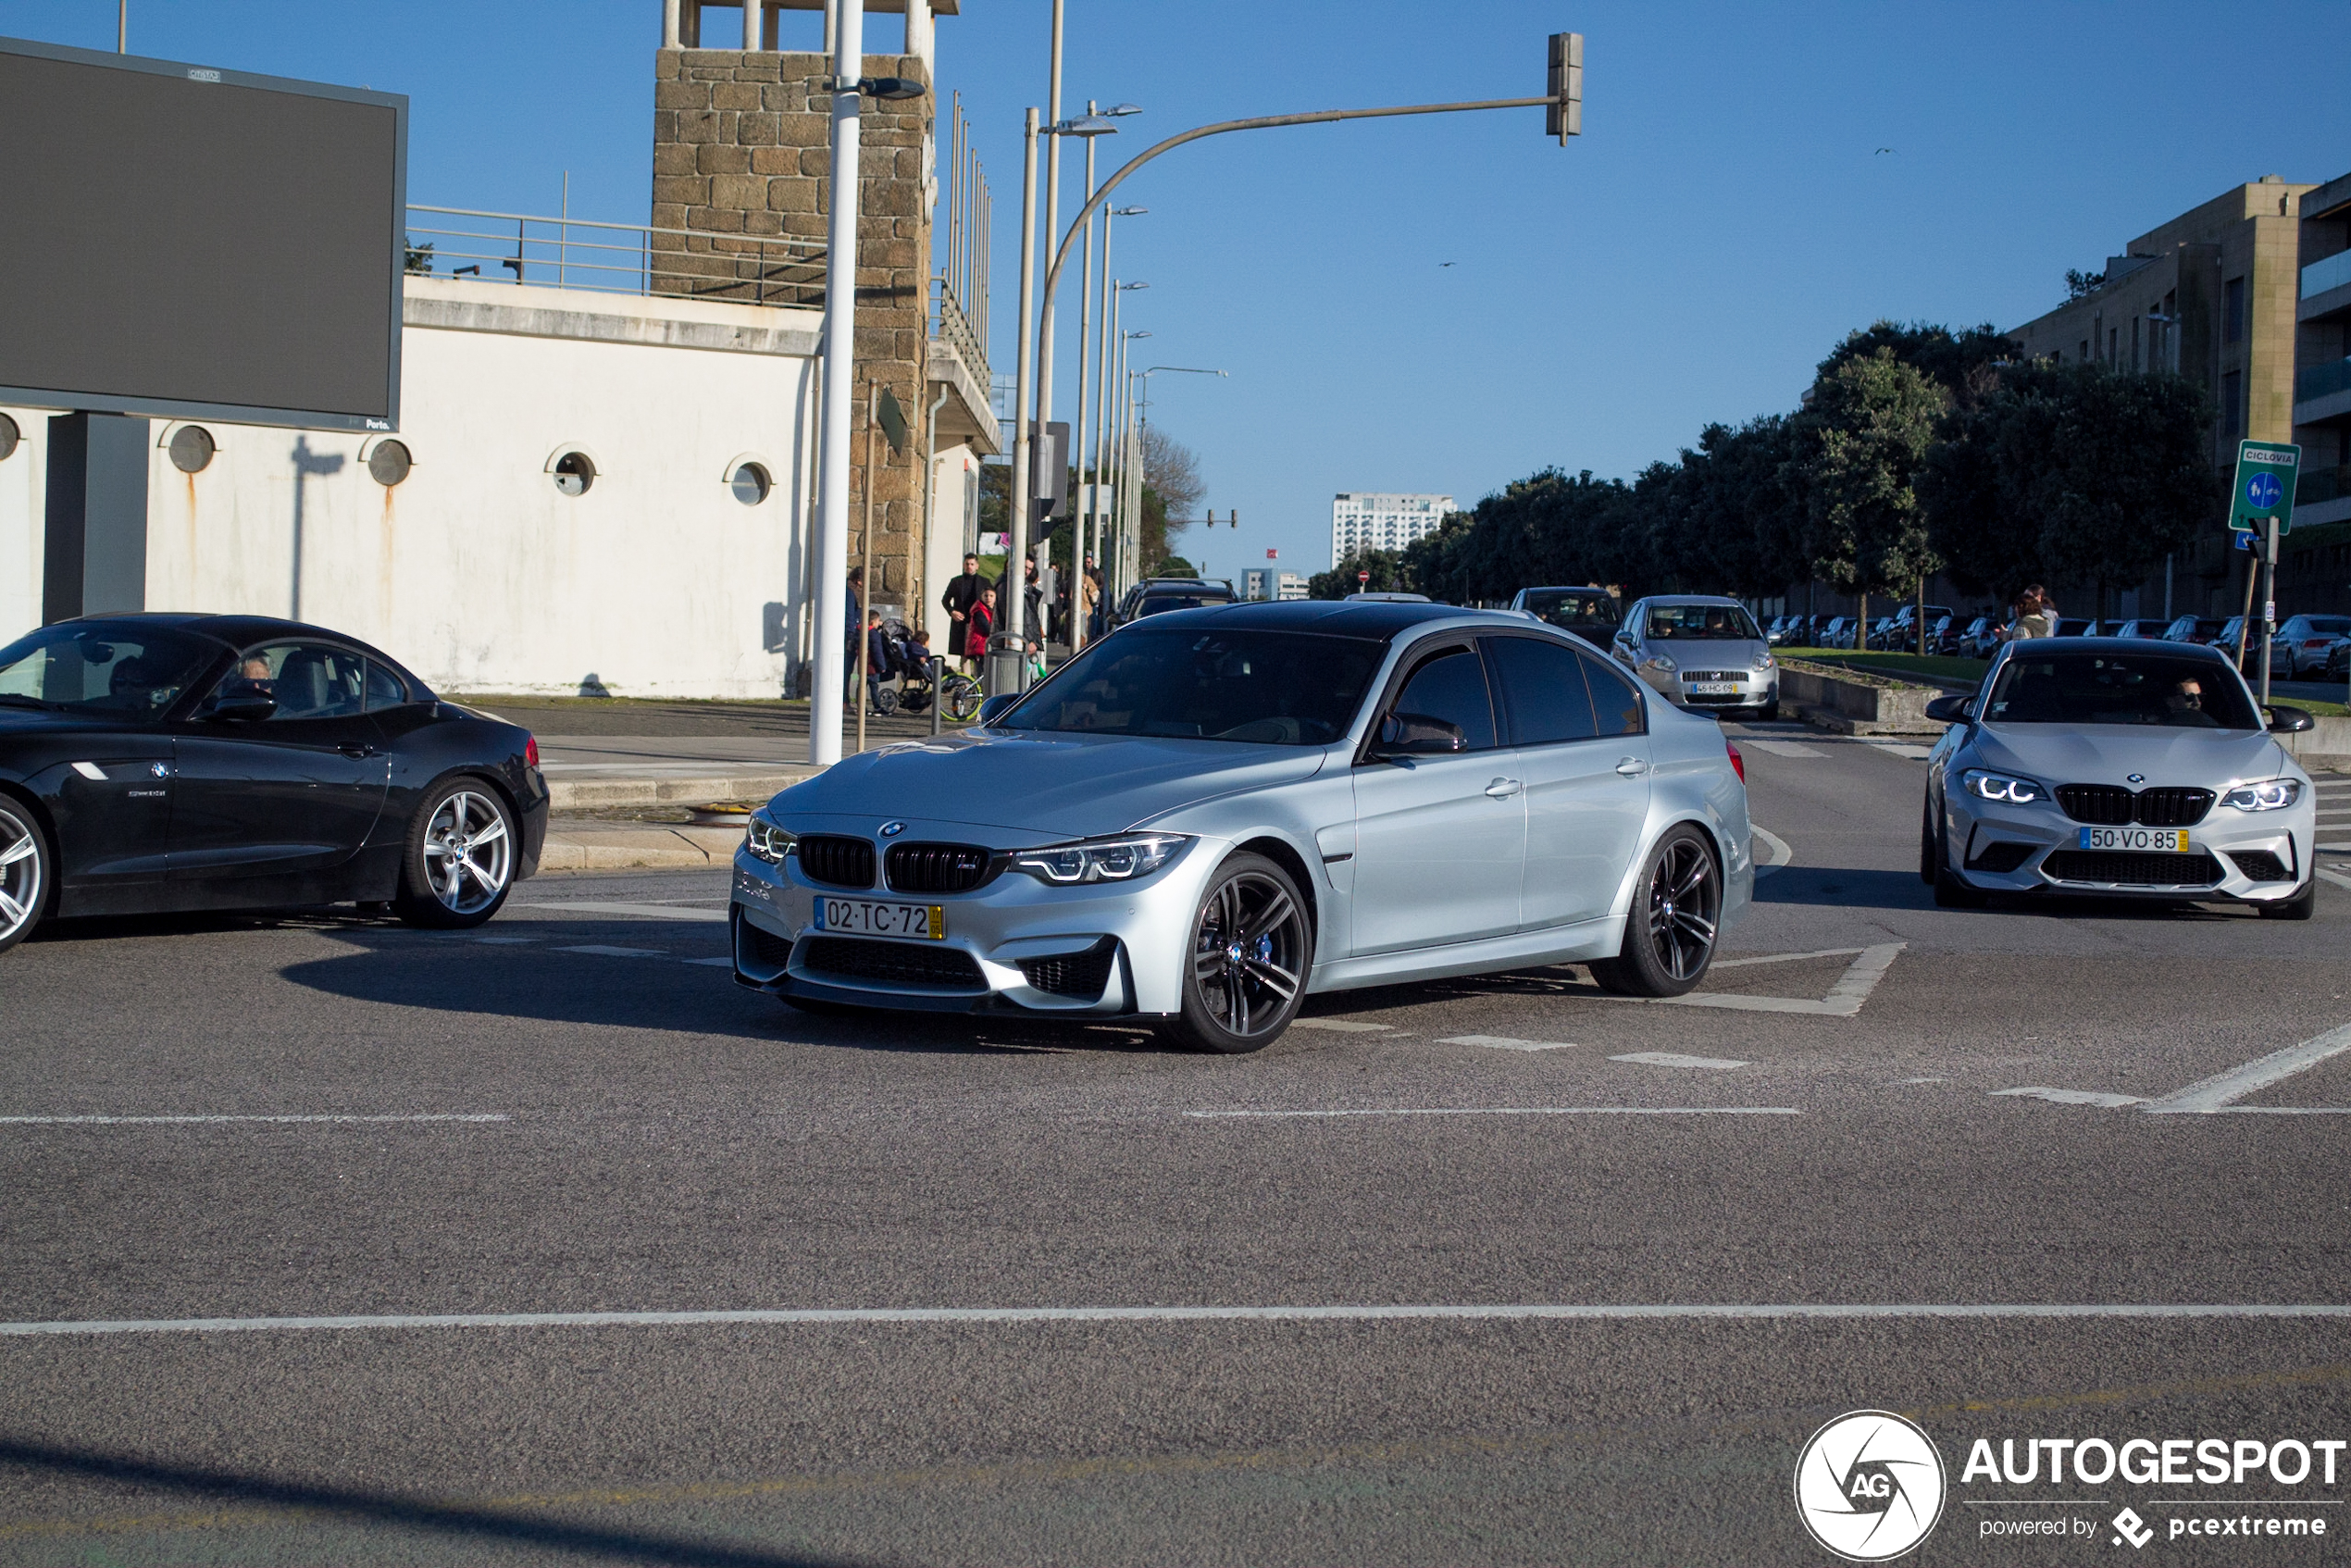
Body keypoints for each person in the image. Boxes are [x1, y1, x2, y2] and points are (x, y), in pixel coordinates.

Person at [940, 554, 986, 669]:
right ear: (963, 565)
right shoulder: (956, 582)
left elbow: (991, 600)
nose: (969, 567)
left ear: (977, 566)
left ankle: (978, 682)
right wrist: (952, 612)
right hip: (961, 623)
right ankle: (966, 683)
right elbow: (945, 600)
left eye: (972, 564)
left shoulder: (984, 582)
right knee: (964, 655)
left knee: (978, 655)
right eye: (967, 564)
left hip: (978, 624)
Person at [965, 586, 996, 665]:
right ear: (981, 597)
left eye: (991, 596)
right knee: (983, 672)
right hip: (979, 646)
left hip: (985, 645)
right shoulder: (978, 611)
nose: (988, 598)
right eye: (986, 596)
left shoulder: (992, 610)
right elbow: (986, 628)